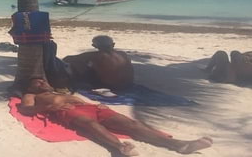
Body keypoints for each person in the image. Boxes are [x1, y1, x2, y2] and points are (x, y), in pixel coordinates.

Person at [19, 78, 212, 156]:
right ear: (31, 88)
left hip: (91, 107)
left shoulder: (63, 91)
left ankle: (179, 144)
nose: (41, 82)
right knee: (89, 125)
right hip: (67, 111)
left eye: (42, 80)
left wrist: (93, 104)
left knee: (130, 124)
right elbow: (27, 111)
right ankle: (119, 147)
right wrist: (49, 105)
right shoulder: (32, 96)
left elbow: (82, 100)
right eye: (37, 82)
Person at [63, 35, 133, 90]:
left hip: (109, 87)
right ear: (113, 44)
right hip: (128, 85)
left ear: (94, 46)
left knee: (76, 63)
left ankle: (70, 83)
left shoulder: (93, 55)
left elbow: (67, 58)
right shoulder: (122, 53)